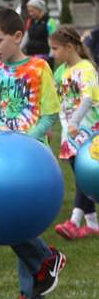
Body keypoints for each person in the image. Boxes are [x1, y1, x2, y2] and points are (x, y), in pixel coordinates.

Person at [0, 8, 66, 299]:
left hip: (30, 158)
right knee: (7, 215)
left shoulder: (39, 67)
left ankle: (44, 265)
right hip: (1, 152)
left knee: (17, 217)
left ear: (17, 36)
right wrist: (0, 130)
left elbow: (50, 112)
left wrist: (27, 142)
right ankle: (32, 292)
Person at [50, 26, 99, 240]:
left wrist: (75, 122)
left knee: (82, 176)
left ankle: (74, 221)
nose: (52, 54)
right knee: (80, 175)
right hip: (70, 133)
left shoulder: (86, 68)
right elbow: (57, 100)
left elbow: (88, 98)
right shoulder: (63, 71)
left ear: (70, 47)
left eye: (55, 49)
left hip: (88, 131)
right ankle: (93, 224)